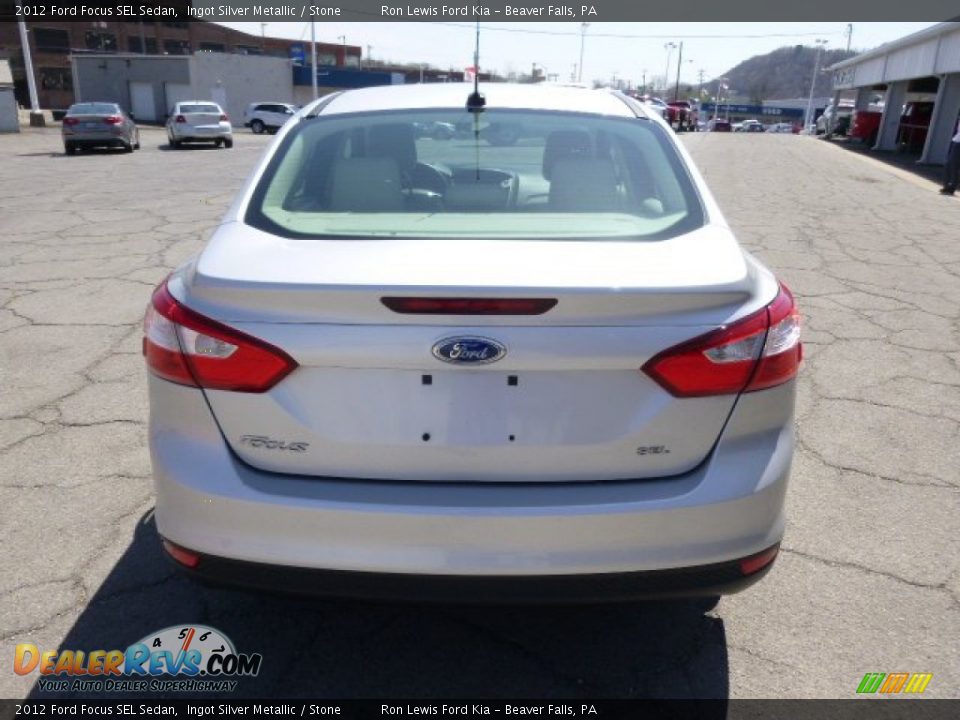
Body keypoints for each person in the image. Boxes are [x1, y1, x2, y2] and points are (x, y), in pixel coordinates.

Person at [941, 115, 960, 196]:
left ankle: (951, 187)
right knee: (949, 164)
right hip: (956, 140)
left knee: (954, 165)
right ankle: (947, 185)